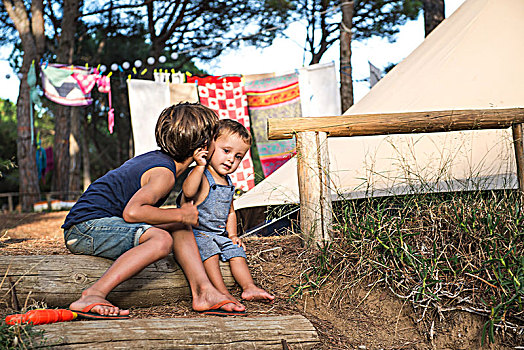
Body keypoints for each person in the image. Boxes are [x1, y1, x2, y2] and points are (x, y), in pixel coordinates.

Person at [62, 103, 246, 318]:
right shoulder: (164, 173)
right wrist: (180, 214)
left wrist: (179, 219)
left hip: (101, 224)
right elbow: (133, 213)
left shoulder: (162, 162)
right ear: (203, 146)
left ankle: (203, 292)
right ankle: (93, 293)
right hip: (85, 229)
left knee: (180, 226)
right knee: (161, 240)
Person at [180, 119, 274, 307]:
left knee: (237, 252)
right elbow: (188, 192)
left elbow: (231, 212)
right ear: (209, 145)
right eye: (226, 151)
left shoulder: (228, 181)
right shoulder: (202, 173)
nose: (232, 159)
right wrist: (199, 166)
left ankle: (249, 287)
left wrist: (232, 235)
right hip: (197, 233)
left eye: (238, 156)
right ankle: (221, 291)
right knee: (211, 253)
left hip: (219, 234)